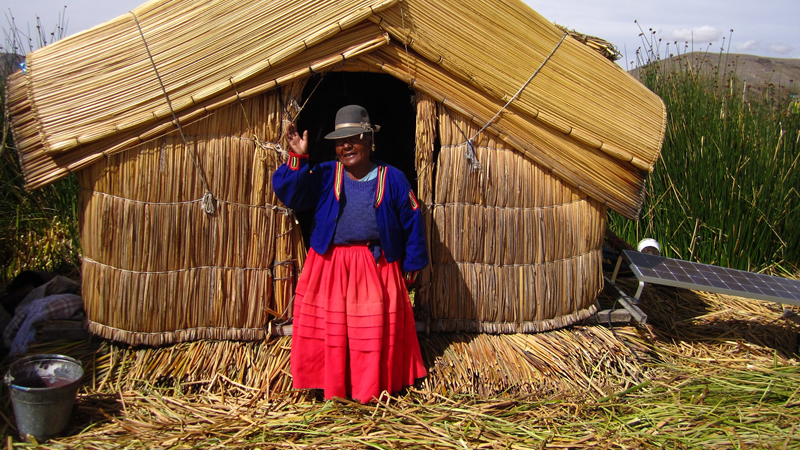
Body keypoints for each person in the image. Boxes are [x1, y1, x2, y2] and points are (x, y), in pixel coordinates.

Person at [272, 104, 428, 402]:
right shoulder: (323, 174)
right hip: (330, 264)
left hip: (375, 265)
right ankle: (331, 385)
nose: (347, 146)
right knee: (332, 330)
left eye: (355, 138)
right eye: (341, 141)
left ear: (370, 140)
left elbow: (412, 220)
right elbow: (292, 195)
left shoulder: (392, 178)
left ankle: (369, 387)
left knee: (367, 333)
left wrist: (412, 265)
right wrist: (298, 157)